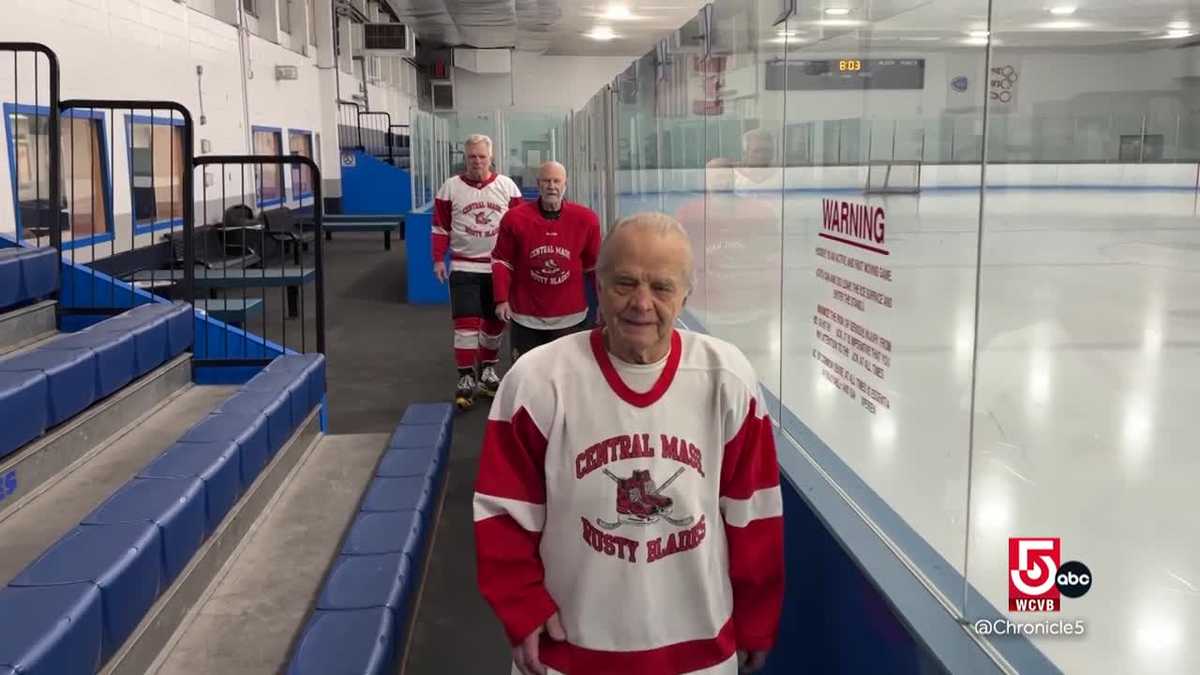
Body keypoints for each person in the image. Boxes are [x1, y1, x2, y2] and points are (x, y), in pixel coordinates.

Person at [473, 213, 785, 675]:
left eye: (661, 287)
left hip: (698, 654)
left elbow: (753, 513)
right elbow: (502, 511)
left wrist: (757, 621)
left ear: (685, 296)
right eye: (625, 283)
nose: (642, 303)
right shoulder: (538, 381)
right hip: (567, 652)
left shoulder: (727, 377)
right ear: (597, 285)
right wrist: (522, 609)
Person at [432, 134, 524, 410]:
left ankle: (487, 370)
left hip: (499, 268)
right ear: (465, 157)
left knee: (495, 325)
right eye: (472, 156)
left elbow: (520, 228)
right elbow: (440, 227)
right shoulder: (450, 188)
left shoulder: (507, 187)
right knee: (466, 325)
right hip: (464, 265)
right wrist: (438, 259)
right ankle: (465, 377)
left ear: (491, 157)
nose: (477, 161)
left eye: (482, 156)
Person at [491, 161, 601, 363]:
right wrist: (501, 299)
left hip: (571, 318)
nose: (552, 186)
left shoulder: (586, 219)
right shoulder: (514, 219)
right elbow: (502, 261)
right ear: (538, 184)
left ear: (565, 183)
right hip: (526, 317)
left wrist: (603, 304)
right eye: (546, 181)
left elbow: (593, 267)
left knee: (568, 375)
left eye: (556, 181)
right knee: (526, 374)